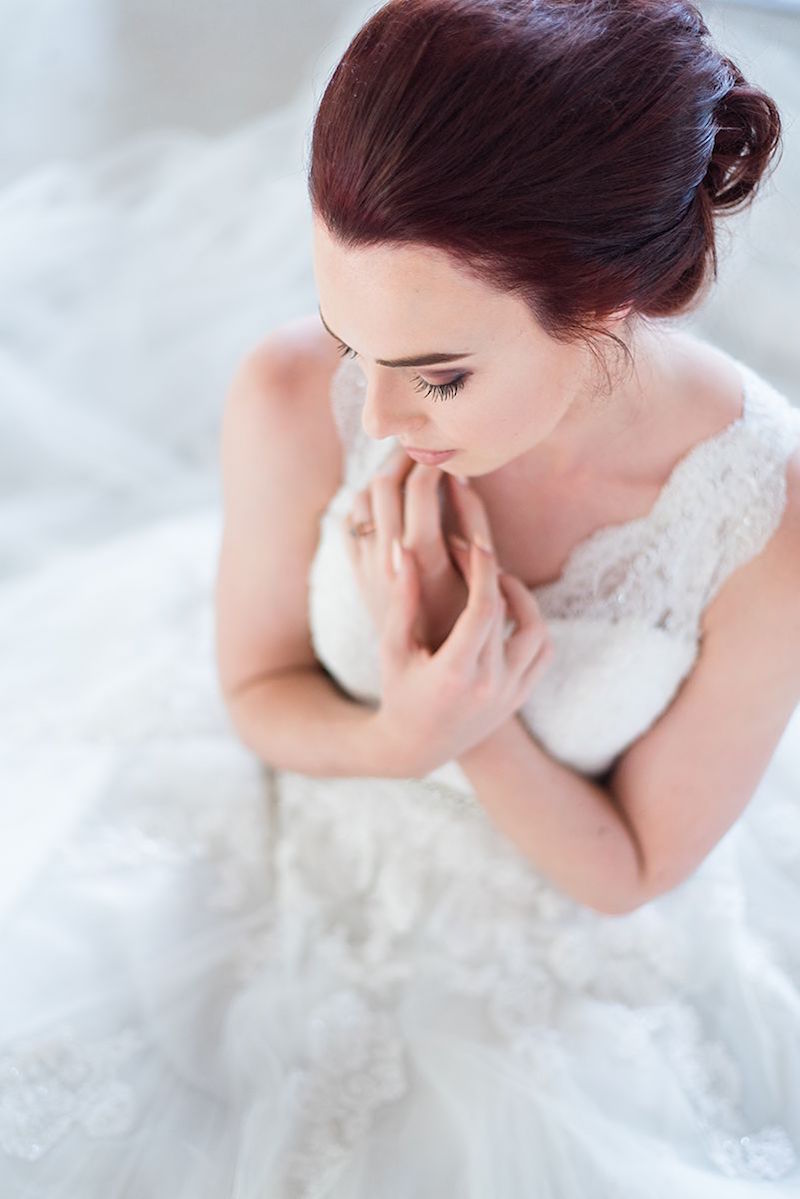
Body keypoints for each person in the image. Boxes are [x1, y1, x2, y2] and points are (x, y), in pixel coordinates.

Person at [2, 1, 800, 1196]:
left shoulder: (766, 513)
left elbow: (631, 867)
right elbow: (255, 684)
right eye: (348, 340)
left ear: (601, 312)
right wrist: (392, 735)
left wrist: (467, 723)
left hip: (551, 951)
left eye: (438, 375)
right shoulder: (291, 393)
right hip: (269, 841)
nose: (372, 422)